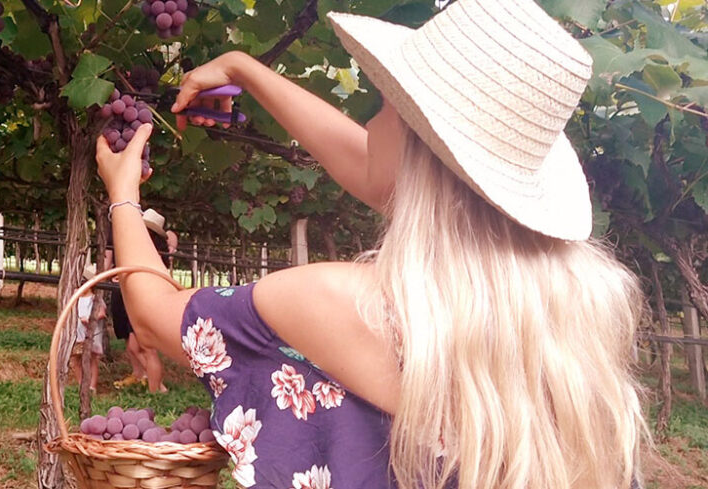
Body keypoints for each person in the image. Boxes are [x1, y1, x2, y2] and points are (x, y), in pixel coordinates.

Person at [95, 1, 646, 488]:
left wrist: (122, 194)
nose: (370, 121)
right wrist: (244, 70)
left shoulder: (337, 304)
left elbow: (150, 316)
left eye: (383, 105)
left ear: (414, 145)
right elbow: (374, 165)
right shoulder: (561, 327)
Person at [105, 208, 170, 393]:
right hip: (136, 300)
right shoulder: (141, 248)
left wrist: (126, 274)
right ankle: (153, 385)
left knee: (146, 347)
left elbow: (148, 275)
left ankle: (157, 387)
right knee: (135, 345)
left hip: (145, 302)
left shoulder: (153, 253)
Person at [72, 264, 107, 393]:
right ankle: (81, 384)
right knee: (76, 358)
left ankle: (92, 386)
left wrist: (91, 319)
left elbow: (102, 313)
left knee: (92, 358)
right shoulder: (76, 296)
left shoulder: (94, 298)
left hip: (91, 333)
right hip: (78, 332)